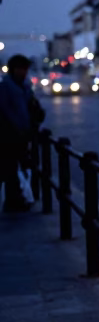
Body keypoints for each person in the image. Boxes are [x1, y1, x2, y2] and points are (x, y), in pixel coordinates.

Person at [0, 54, 37, 212]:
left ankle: (16, 198)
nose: (25, 72)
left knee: (16, 167)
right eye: (22, 69)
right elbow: (5, 111)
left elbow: (29, 106)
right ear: (14, 70)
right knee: (10, 168)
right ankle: (13, 200)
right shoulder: (5, 87)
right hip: (9, 135)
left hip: (21, 133)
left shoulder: (24, 86)